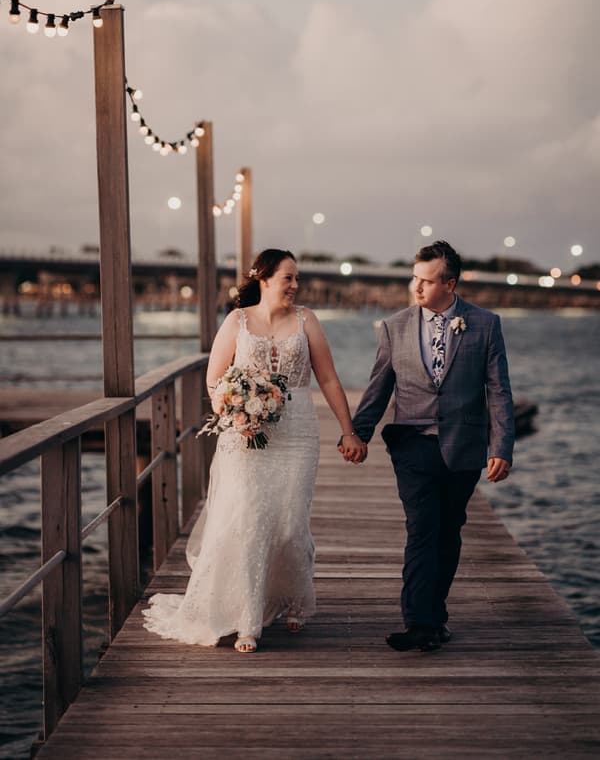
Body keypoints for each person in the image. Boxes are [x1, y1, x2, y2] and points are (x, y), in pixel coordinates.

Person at [143, 248, 364, 653]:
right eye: (288, 278)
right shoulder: (237, 322)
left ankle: (291, 599)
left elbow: (329, 380)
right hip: (244, 435)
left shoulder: (307, 320)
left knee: (290, 520)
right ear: (263, 278)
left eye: (297, 279)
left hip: (297, 433)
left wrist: (348, 431)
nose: (295, 286)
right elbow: (214, 383)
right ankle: (247, 620)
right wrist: (236, 415)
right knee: (249, 518)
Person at [341, 240, 514, 652]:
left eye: (426, 280)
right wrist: (357, 434)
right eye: (413, 278)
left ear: (449, 284)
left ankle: (436, 615)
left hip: (463, 448)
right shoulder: (394, 326)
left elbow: (498, 391)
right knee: (422, 529)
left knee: (448, 532)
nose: (416, 288)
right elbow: (379, 386)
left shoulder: (485, 324)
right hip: (413, 445)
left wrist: (502, 446)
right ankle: (419, 622)